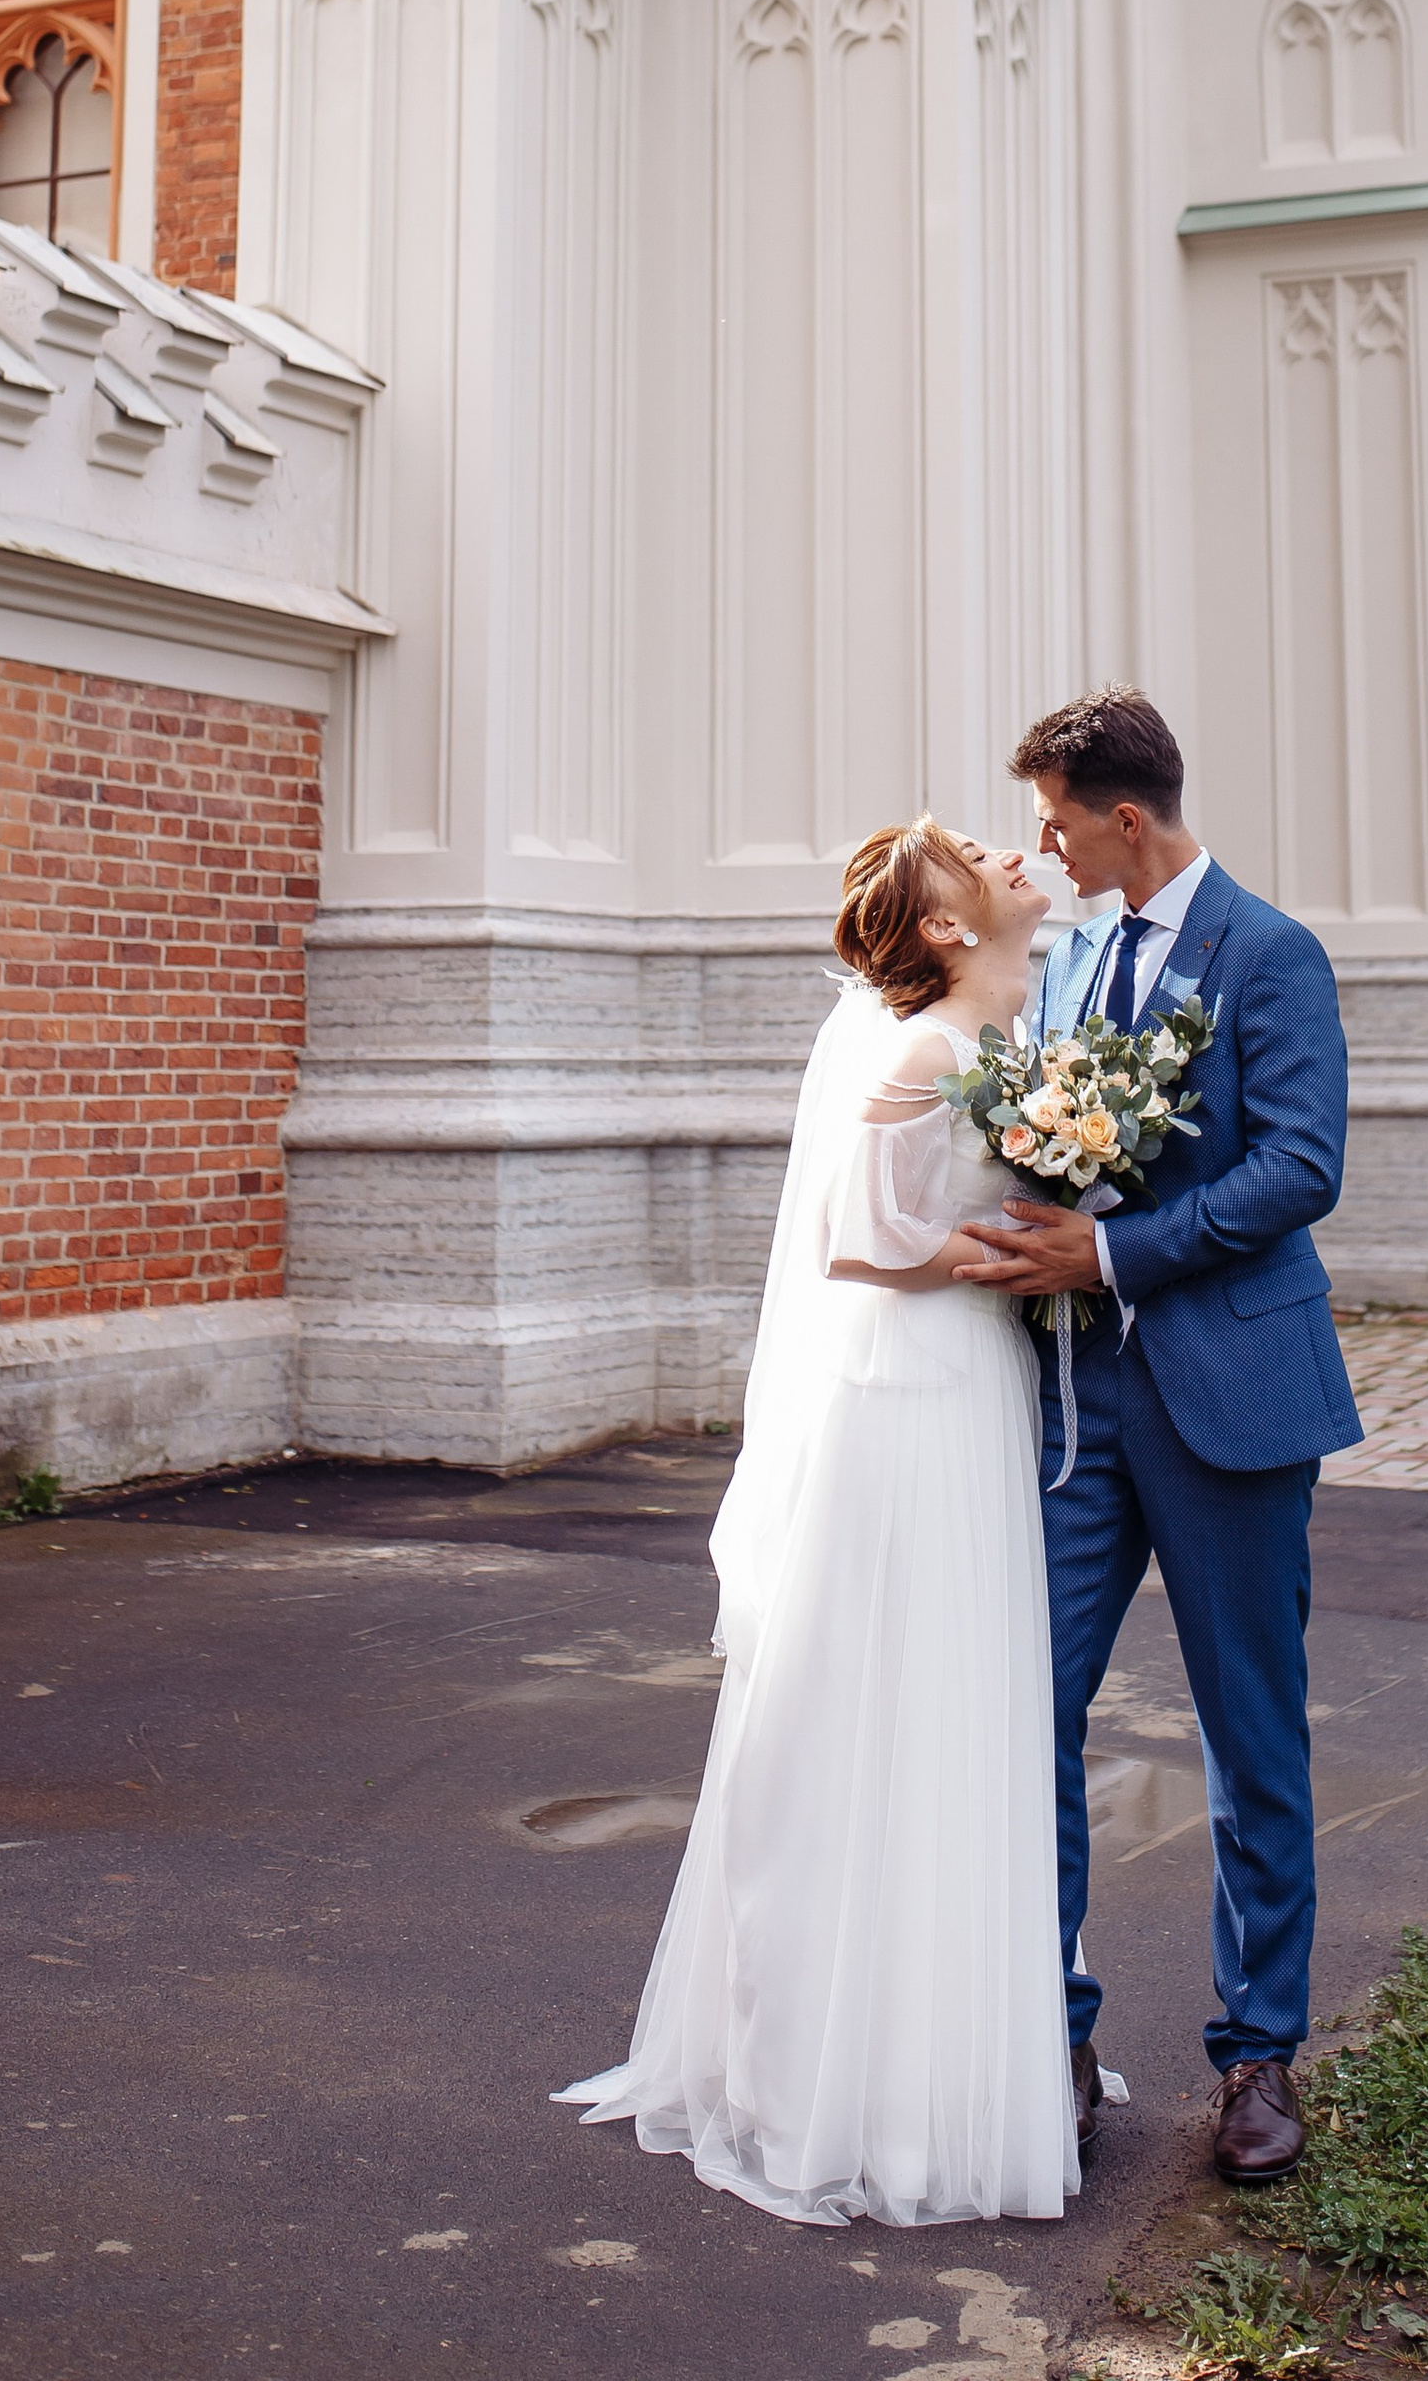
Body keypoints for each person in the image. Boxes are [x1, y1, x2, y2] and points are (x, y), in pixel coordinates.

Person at [557, 818, 1080, 2229]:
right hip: (906, 1402)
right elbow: (863, 1245)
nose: (1002, 849)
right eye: (977, 852)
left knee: (945, 1717)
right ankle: (822, 2075)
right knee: (876, 1713)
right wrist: (1038, 1255)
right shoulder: (920, 1056)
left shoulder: (991, 1046)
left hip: (963, 1388)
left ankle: (927, 2067)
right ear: (952, 930)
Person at [952, 689, 1361, 2187]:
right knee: (1025, 1720)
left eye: (1056, 817)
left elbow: (1299, 1168)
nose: (1042, 844)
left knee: (1250, 1734)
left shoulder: (1271, 953)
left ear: (1128, 816)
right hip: (1069, 1410)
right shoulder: (1058, 968)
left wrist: (1113, 1259)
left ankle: (1258, 2058)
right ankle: (1053, 2033)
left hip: (1228, 1403)